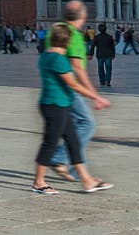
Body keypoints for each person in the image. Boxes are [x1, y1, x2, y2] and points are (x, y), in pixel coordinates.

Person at [30, 22, 112, 196]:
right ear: (67, 42)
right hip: (54, 105)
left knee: (73, 144)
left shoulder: (46, 55)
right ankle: (39, 182)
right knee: (50, 143)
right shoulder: (58, 59)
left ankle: (87, 181)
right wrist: (96, 97)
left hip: (60, 104)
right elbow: (73, 84)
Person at [48, 2, 97, 174]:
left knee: (75, 128)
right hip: (69, 88)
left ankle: (76, 171)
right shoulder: (73, 35)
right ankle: (60, 158)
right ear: (83, 17)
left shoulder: (54, 31)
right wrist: (94, 94)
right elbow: (77, 67)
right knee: (87, 124)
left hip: (54, 87)